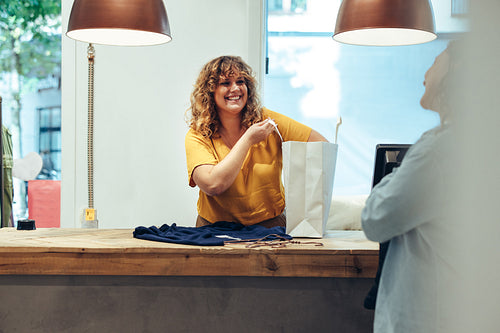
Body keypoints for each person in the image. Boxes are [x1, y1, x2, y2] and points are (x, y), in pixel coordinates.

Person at [361, 41, 463, 332]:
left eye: (435, 63)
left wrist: (396, 173)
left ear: (453, 75)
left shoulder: (437, 150)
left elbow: (376, 219)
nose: (425, 73)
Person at [185, 55, 327, 228]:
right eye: (225, 83)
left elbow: (322, 146)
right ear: (210, 91)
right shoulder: (198, 135)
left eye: (240, 81)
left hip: (270, 228)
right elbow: (213, 185)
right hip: (213, 231)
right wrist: (249, 139)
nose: (235, 88)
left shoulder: (269, 122)